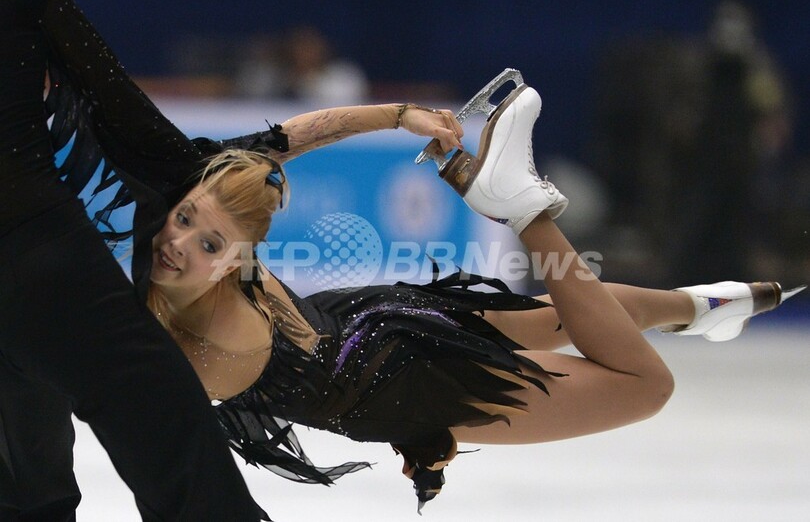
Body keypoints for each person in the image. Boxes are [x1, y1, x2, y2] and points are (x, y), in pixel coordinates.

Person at [144, 82, 803, 512]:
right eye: (181, 224)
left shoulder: (142, 327)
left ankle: (521, 208)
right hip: (377, 317)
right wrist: (400, 115)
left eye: (203, 239)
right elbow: (291, 138)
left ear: (237, 256)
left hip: (406, 384)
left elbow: (288, 138)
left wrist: (398, 115)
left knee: (643, 386)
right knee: (575, 314)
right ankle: (701, 307)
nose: (178, 243)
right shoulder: (184, 262)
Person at [0, 0, 269, 520]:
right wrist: (191, 170)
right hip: (32, 244)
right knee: (177, 449)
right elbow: (117, 100)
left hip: (36, 251)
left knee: (27, 488)